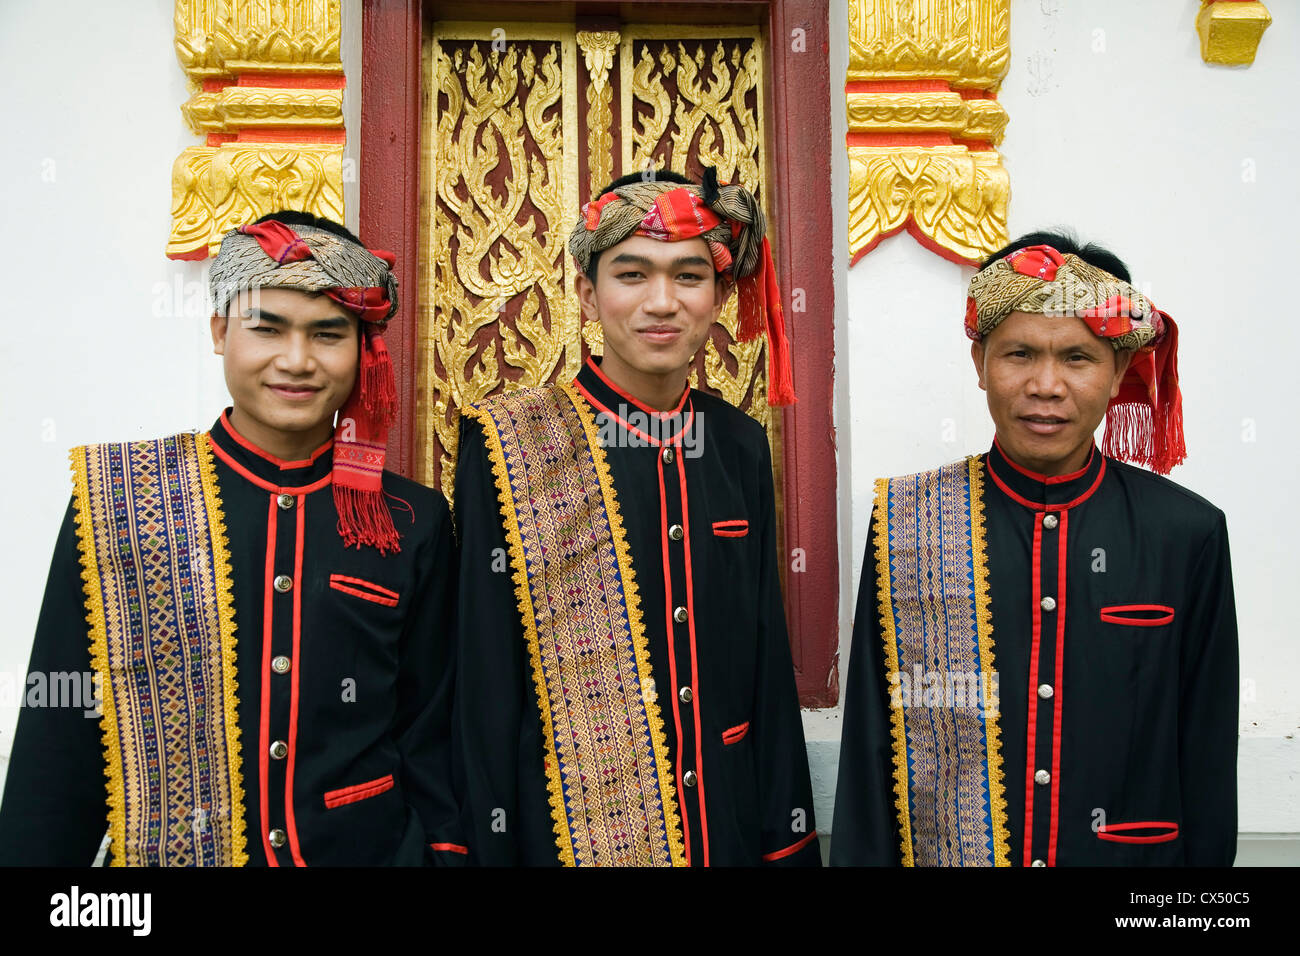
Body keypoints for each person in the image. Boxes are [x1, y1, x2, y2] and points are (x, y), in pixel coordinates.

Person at [0, 211, 464, 866]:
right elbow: (58, 746)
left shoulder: (410, 520)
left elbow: (431, 734)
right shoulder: (120, 501)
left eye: (328, 333)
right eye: (267, 328)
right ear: (220, 331)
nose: (296, 360)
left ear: (364, 350)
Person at [831, 231, 1238, 866]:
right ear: (979, 363)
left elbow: (1207, 758)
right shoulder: (910, 521)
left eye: (1077, 358)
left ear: (1120, 370)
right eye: (1019, 353)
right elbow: (869, 753)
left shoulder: (1185, 533)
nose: (1045, 385)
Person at [453, 169, 819, 866]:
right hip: (564, 837)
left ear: (718, 296)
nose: (662, 303)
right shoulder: (509, 444)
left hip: (725, 831)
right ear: (588, 294)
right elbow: (483, 686)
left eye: (688, 276)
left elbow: (766, 674)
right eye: (631, 274)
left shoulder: (738, 444)